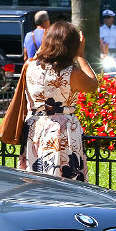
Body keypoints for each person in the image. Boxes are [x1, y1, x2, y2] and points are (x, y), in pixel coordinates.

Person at [18, 21, 98, 180]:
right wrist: (80, 56)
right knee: (64, 182)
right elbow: (93, 85)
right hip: (61, 131)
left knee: (34, 180)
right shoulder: (70, 72)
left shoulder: (29, 66)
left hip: (34, 128)